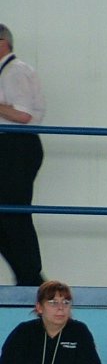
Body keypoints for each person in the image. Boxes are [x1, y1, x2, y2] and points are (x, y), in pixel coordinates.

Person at [0, 23, 47, 286]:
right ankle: (29, 277)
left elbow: (23, 114)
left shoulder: (15, 72)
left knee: (14, 212)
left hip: (16, 146)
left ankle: (31, 278)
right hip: (10, 147)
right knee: (7, 213)